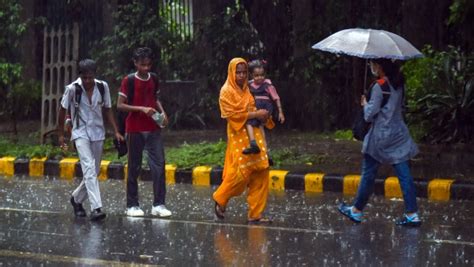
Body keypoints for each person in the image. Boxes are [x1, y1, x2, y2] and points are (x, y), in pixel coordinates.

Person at [338, 59, 421, 227]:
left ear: (380, 66)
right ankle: (412, 214)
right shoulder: (399, 84)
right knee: (405, 175)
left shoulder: (379, 86)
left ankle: (356, 211)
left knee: (368, 174)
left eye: (373, 64)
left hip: (380, 137)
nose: (371, 68)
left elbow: (369, 115)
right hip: (398, 135)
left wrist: (365, 103)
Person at [58, 59, 124, 221]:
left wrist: (116, 131)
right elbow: (62, 110)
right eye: (85, 77)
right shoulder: (72, 89)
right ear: (80, 75)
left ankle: (76, 199)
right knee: (88, 168)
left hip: (98, 132)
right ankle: (96, 208)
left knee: (93, 171)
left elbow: (108, 109)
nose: (88, 81)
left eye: (90, 77)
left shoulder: (103, 87)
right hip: (80, 132)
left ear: (95, 75)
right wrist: (61, 135)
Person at [213, 57, 272, 224]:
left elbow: (255, 107)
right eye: (238, 72)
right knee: (241, 173)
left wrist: (264, 116)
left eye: (244, 72)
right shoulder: (226, 91)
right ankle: (220, 197)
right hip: (237, 133)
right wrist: (255, 114)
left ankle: (255, 214)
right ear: (231, 72)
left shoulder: (247, 89)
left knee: (261, 171)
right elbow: (231, 115)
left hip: (254, 133)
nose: (241, 75)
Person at [117, 47, 172, 217]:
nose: (146, 68)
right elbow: (120, 105)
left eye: (148, 65)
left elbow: (155, 99)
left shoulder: (154, 78)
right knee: (134, 166)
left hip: (153, 128)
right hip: (134, 129)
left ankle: (159, 204)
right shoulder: (129, 81)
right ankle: (132, 205)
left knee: (159, 165)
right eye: (142, 65)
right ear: (135, 63)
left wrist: (162, 113)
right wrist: (141, 109)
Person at [242, 60, 284, 165]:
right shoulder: (249, 84)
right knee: (261, 131)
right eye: (256, 75)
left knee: (249, 122)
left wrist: (280, 112)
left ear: (264, 74)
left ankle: (253, 144)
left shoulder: (268, 85)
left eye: (262, 75)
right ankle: (266, 154)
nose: (259, 78)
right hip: (255, 108)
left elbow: (276, 98)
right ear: (252, 75)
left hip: (265, 109)